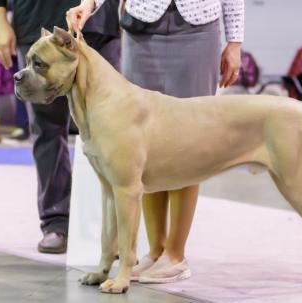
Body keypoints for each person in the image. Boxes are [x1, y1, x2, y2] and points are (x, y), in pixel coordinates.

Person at [67, 0, 244, 283]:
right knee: (140, 148)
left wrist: (234, 41)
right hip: (142, 28)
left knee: (189, 142)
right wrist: (89, 3)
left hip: (198, 30)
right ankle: (155, 250)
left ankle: (175, 255)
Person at [0, 0, 121, 253]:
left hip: (98, 24)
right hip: (35, 19)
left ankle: (112, 227)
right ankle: (55, 222)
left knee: (111, 130)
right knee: (46, 128)